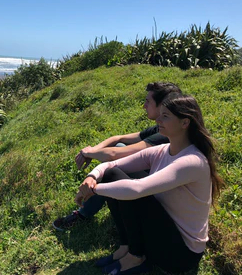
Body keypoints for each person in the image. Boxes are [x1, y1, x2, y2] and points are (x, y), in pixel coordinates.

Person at [75, 94, 223, 274]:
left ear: (185, 123)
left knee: (130, 189)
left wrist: (94, 190)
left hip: (181, 254)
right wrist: (92, 176)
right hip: (162, 230)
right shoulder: (162, 151)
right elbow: (112, 165)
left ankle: (136, 257)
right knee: (112, 174)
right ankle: (126, 247)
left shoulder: (192, 161)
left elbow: (137, 189)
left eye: (165, 116)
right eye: (160, 114)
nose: (158, 119)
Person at [53, 82, 182, 231]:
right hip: (151, 185)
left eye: (148, 101)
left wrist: (88, 153)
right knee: (117, 151)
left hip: (160, 198)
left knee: (113, 162)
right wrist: (93, 150)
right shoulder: (161, 127)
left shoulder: (164, 134)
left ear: (162, 105)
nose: (144, 106)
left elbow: (114, 154)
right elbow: (118, 138)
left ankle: (83, 214)